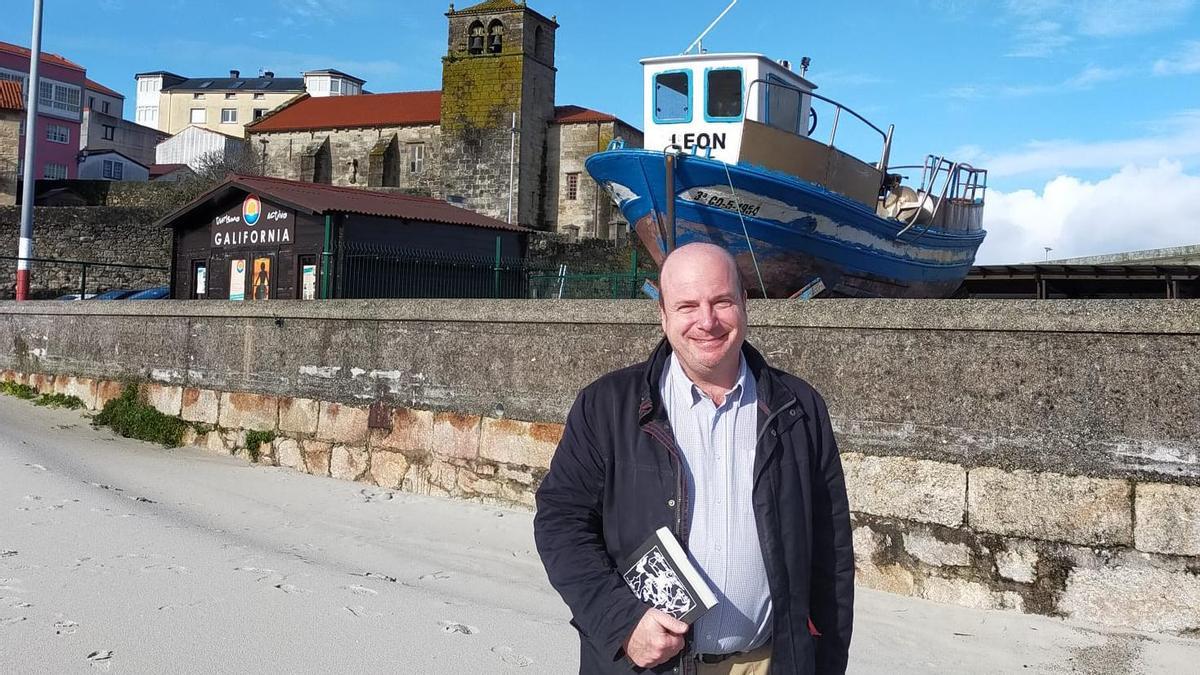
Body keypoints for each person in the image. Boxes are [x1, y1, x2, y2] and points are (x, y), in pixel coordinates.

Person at [534, 243, 854, 674]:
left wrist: (827, 666)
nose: (707, 320)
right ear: (663, 315)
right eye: (687, 305)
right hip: (647, 665)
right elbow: (561, 523)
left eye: (722, 301)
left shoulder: (799, 407)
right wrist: (622, 622)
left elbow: (830, 553)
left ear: (744, 305)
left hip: (768, 663)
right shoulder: (607, 406)